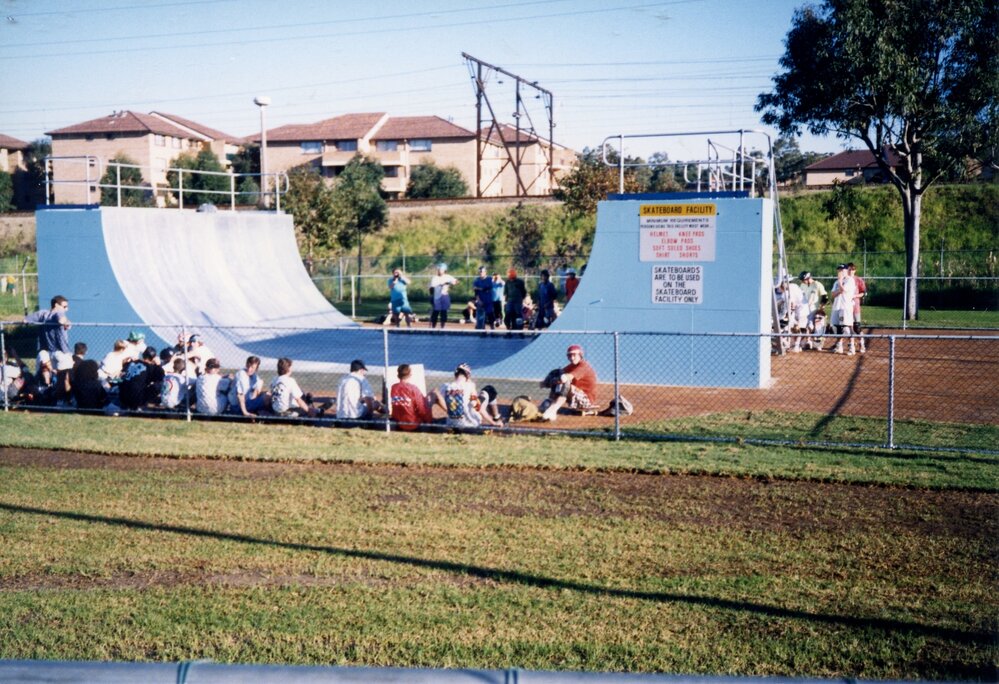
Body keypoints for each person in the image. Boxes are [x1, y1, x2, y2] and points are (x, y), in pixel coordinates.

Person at [432, 363, 501, 430]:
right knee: (488, 390)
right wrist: (493, 423)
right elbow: (477, 406)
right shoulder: (470, 386)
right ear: (468, 375)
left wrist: (449, 411)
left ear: (455, 374)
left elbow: (439, 399)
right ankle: (496, 417)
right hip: (472, 424)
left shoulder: (445, 386)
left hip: (452, 424)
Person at [540, 344, 599, 422]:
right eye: (569, 355)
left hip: (586, 400)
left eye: (574, 355)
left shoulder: (584, 366)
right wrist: (547, 382)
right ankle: (550, 402)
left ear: (580, 355)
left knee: (565, 382)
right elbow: (559, 374)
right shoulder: (571, 366)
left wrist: (556, 380)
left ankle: (553, 409)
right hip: (576, 398)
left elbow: (566, 378)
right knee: (558, 375)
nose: (572, 358)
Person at [23, 295, 73, 370]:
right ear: (56, 305)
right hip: (61, 351)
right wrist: (66, 322)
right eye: (64, 306)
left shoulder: (42, 314)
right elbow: (61, 320)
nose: (66, 309)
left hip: (47, 351)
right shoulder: (59, 313)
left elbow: (25, 320)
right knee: (66, 375)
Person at [389, 363, 433, 431]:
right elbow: (422, 408)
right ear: (410, 375)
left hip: (399, 423)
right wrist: (429, 421)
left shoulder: (394, 388)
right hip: (413, 425)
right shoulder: (413, 389)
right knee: (432, 395)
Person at [119, 346, 162, 410]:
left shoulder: (131, 363)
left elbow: (123, 368)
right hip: (136, 399)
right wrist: (158, 365)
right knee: (159, 385)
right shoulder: (151, 368)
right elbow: (161, 377)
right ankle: (142, 406)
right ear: (153, 358)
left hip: (122, 397)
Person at [829, 264, 858, 355]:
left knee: (847, 327)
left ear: (846, 270)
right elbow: (833, 294)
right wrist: (839, 286)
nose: (840, 272)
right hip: (836, 307)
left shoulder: (850, 280)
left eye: (842, 270)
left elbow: (843, 290)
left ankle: (851, 347)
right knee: (837, 327)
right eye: (839, 270)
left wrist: (840, 282)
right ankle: (839, 346)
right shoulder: (836, 282)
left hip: (845, 307)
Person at [798, 271, 828, 350]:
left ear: (808, 278)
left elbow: (825, 296)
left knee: (816, 327)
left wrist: (822, 307)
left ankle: (817, 342)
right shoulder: (802, 285)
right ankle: (808, 341)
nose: (802, 281)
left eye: (803, 279)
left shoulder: (817, 284)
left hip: (815, 309)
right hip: (804, 309)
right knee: (805, 325)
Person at [429, 263, 458, 329]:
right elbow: (432, 288)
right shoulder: (435, 278)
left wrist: (453, 282)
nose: (439, 271)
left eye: (441, 269)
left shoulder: (448, 277)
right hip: (436, 297)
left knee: (444, 312)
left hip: (444, 296)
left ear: (444, 270)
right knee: (435, 312)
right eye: (438, 269)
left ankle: (442, 328)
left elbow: (455, 281)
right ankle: (433, 328)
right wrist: (431, 297)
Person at [847, 262, 867, 353]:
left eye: (853, 270)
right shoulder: (844, 279)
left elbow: (863, 292)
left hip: (855, 306)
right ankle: (851, 345)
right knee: (847, 327)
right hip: (846, 307)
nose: (851, 271)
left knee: (857, 327)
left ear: (855, 271)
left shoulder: (858, 280)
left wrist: (855, 296)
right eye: (849, 269)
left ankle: (861, 343)